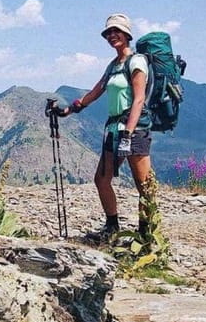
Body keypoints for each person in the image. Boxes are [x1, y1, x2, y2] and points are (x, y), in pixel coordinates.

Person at [46, 13, 153, 241]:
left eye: (116, 31)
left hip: (135, 129)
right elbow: (95, 92)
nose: (112, 35)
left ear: (127, 34)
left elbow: (139, 100)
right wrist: (68, 110)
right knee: (101, 179)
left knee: (143, 184)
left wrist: (128, 133)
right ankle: (112, 227)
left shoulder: (137, 62)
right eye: (108, 33)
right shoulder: (113, 65)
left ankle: (146, 234)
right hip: (114, 129)